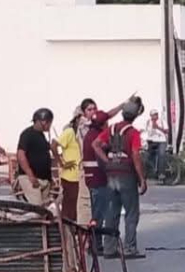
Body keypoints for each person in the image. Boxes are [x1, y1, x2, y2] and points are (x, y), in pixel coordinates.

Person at [93, 98, 147, 259]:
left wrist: (107, 160)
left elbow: (95, 144)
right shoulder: (133, 133)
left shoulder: (111, 129)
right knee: (131, 212)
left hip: (111, 174)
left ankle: (109, 248)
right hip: (126, 174)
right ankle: (130, 248)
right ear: (135, 115)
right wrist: (142, 178)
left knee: (112, 212)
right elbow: (136, 155)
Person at [79, 95, 133, 239]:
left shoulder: (92, 132)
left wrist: (123, 104)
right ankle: (95, 243)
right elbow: (100, 149)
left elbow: (109, 113)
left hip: (93, 179)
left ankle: (95, 243)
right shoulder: (96, 136)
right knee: (98, 214)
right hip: (98, 179)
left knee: (98, 212)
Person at [15, 108, 57, 205]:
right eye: (49, 122)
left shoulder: (41, 136)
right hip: (32, 178)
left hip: (44, 179)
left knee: (44, 208)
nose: (50, 125)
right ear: (43, 121)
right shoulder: (27, 134)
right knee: (37, 207)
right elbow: (21, 155)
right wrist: (31, 175)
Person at [56, 111, 84, 221]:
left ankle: (74, 235)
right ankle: (67, 234)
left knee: (78, 209)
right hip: (70, 177)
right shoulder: (69, 132)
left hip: (81, 176)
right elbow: (54, 145)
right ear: (77, 119)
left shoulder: (82, 134)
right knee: (69, 209)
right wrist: (62, 163)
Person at [144, 109, 170, 179]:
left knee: (161, 154)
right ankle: (150, 171)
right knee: (147, 156)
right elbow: (147, 132)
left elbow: (167, 131)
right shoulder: (148, 122)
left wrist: (158, 127)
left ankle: (161, 173)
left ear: (157, 115)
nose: (153, 117)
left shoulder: (162, 121)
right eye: (152, 116)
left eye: (155, 115)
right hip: (152, 141)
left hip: (161, 141)